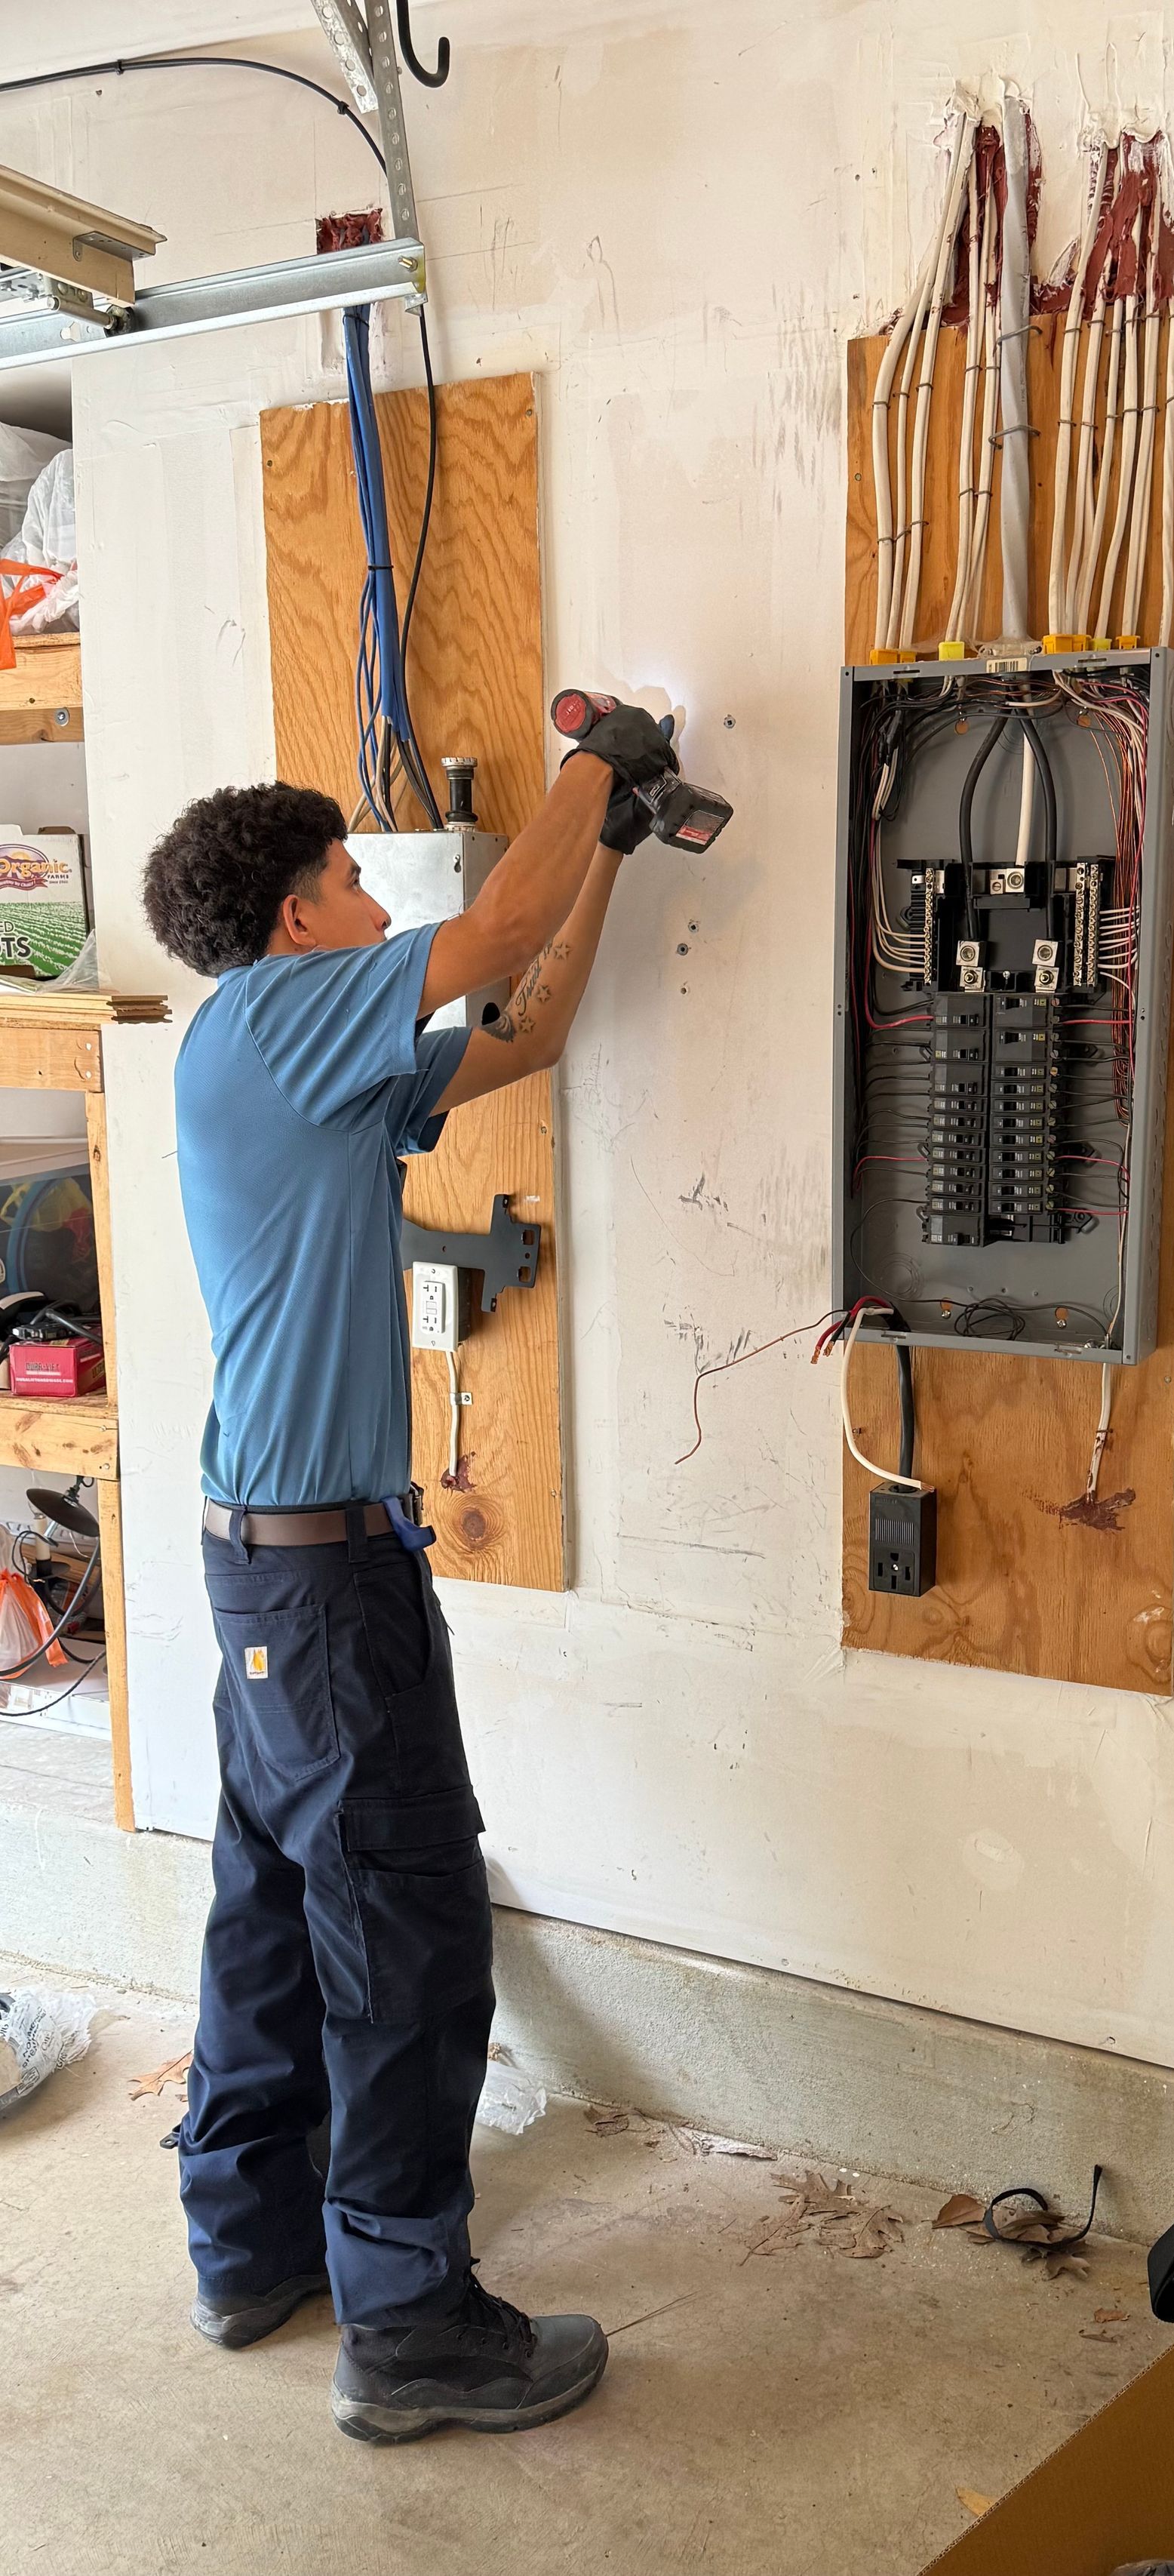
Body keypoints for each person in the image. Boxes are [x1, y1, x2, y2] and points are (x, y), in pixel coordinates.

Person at [141, 703, 677, 2444]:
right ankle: (411, 2329)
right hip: (321, 1590)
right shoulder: (273, 1015)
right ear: (297, 917)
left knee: (274, 1912)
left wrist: (609, 848)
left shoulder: (302, 1065)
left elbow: (528, 1023)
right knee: (405, 1934)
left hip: (277, 1580)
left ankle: (251, 2249)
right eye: (356, 883)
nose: (382, 906)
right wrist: (597, 753)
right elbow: (495, 933)